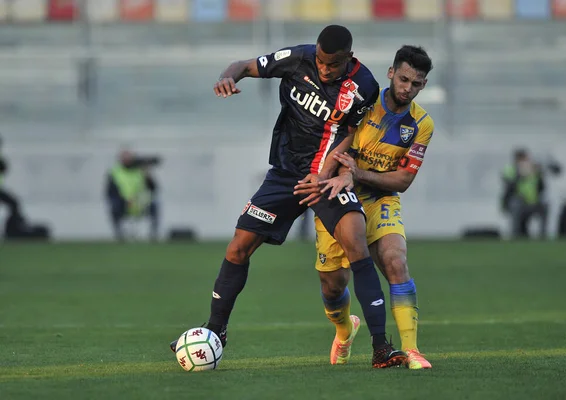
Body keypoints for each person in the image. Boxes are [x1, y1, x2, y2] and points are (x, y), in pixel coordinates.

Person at [170, 25, 406, 368]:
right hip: (285, 175)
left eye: (333, 65)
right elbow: (245, 65)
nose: (325, 69)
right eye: (322, 63)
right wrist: (227, 77)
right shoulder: (298, 58)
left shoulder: (364, 86)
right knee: (238, 246)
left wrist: (323, 176)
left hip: (326, 178)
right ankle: (216, 330)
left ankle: (381, 347)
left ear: (349, 58)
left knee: (356, 242)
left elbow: (349, 135)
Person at [295, 45, 434, 369]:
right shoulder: (364, 105)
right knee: (333, 285)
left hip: (379, 200)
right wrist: (345, 174)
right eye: (402, 79)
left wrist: (358, 174)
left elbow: (402, 180)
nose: (406, 88)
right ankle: (344, 331)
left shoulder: (421, 124)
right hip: (338, 200)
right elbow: (339, 150)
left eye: (415, 84)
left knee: (395, 261)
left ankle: (412, 350)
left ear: (423, 85)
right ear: (390, 73)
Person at [105, 149, 160, 241]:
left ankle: (153, 235)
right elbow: (110, 192)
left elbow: (153, 189)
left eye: (129, 157)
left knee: (155, 204)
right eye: (124, 157)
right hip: (123, 202)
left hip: (139, 202)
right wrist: (124, 199)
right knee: (114, 206)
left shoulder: (140, 170)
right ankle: (119, 235)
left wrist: (147, 174)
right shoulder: (115, 172)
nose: (127, 159)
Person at [501, 148, 548, 239]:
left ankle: (543, 236)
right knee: (516, 204)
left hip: (533, 201)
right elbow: (509, 186)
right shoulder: (510, 169)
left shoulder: (534, 169)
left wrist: (539, 174)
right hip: (518, 201)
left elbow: (542, 188)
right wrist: (520, 175)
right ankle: (515, 236)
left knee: (545, 205)